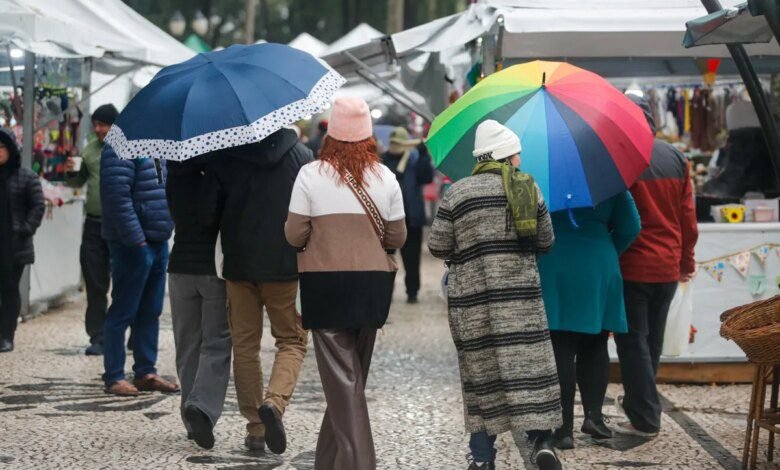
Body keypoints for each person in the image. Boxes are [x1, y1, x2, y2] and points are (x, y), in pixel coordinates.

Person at [428, 120, 561, 470]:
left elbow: (437, 244)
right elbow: (546, 240)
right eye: (517, 154)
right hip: (522, 302)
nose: (520, 160)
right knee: (531, 371)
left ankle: (483, 458)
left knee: (481, 375)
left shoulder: (458, 193)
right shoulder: (528, 187)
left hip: (475, 303)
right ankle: (542, 442)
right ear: (507, 156)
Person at [285, 97, 406, 470]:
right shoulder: (386, 177)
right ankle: (328, 462)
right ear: (369, 136)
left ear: (330, 135)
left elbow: (294, 235)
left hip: (326, 285)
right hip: (371, 287)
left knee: (344, 383)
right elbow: (397, 237)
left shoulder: (310, 175)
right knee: (349, 383)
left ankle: (357, 464)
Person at [200, 128, 312, 454]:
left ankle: (255, 429)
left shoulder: (225, 155)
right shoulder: (302, 157)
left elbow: (207, 215)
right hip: (285, 266)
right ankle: (274, 403)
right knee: (291, 341)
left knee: (245, 346)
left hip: (239, 266)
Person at [614, 95, 699, 437]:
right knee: (651, 343)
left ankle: (646, 417)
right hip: (666, 267)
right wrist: (685, 261)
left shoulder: (622, 159)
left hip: (633, 266)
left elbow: (617, 217)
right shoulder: (676, 157)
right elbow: (688, 219)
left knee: (633, 342)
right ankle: (641, 407)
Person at [538, 186, 641, 449]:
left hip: (552, 262)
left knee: (560, 346)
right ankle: (594, 417)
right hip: (598, 263)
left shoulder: (539, 178)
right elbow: (631, 226)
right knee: (596, 341)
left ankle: (562, 429)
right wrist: (606, 247)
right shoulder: (608, 179)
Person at [100, 147, 178, 396]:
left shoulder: (159, 144)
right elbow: (117, 198)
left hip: (158, 239)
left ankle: (146, 372)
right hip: (132, 243)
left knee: (151, 310)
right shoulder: (120, 144)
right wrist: (137, 241)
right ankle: (114, 375)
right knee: (123, 310)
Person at [166, 155, 231, 450]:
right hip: (212, 269)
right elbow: (215, 218)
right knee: (217, 342)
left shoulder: (175, 173)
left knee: (187, 345)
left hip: (180, 267)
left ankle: (191, 420)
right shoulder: (219, 171)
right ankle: (201, 407)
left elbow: (175, 214)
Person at [65, 104, 118, 356]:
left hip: (120, 226)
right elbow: (78, 181)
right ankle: (98, 335)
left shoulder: (129, 148)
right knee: (95, 283)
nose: (98, 129)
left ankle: (125, 331)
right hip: (94, 225)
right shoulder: (89, 149)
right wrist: (71, 172)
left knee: (124, 283)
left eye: (103, 124)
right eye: (95, 124)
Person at [0, 129, 44, 353]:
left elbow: (37, 206)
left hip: (14, 245)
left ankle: (6, 335)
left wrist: (25, 229)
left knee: (9, 288)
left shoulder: (26, 177)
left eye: (1, 147)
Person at [381, 127, 434, 304]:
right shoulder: (382, 160)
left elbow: (426, 178)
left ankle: (412, 292)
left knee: (412, 259)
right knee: (385, 260)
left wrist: (424, 156)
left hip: (411, 219)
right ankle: (385, 292)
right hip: (387, 220)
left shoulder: (414, 160)